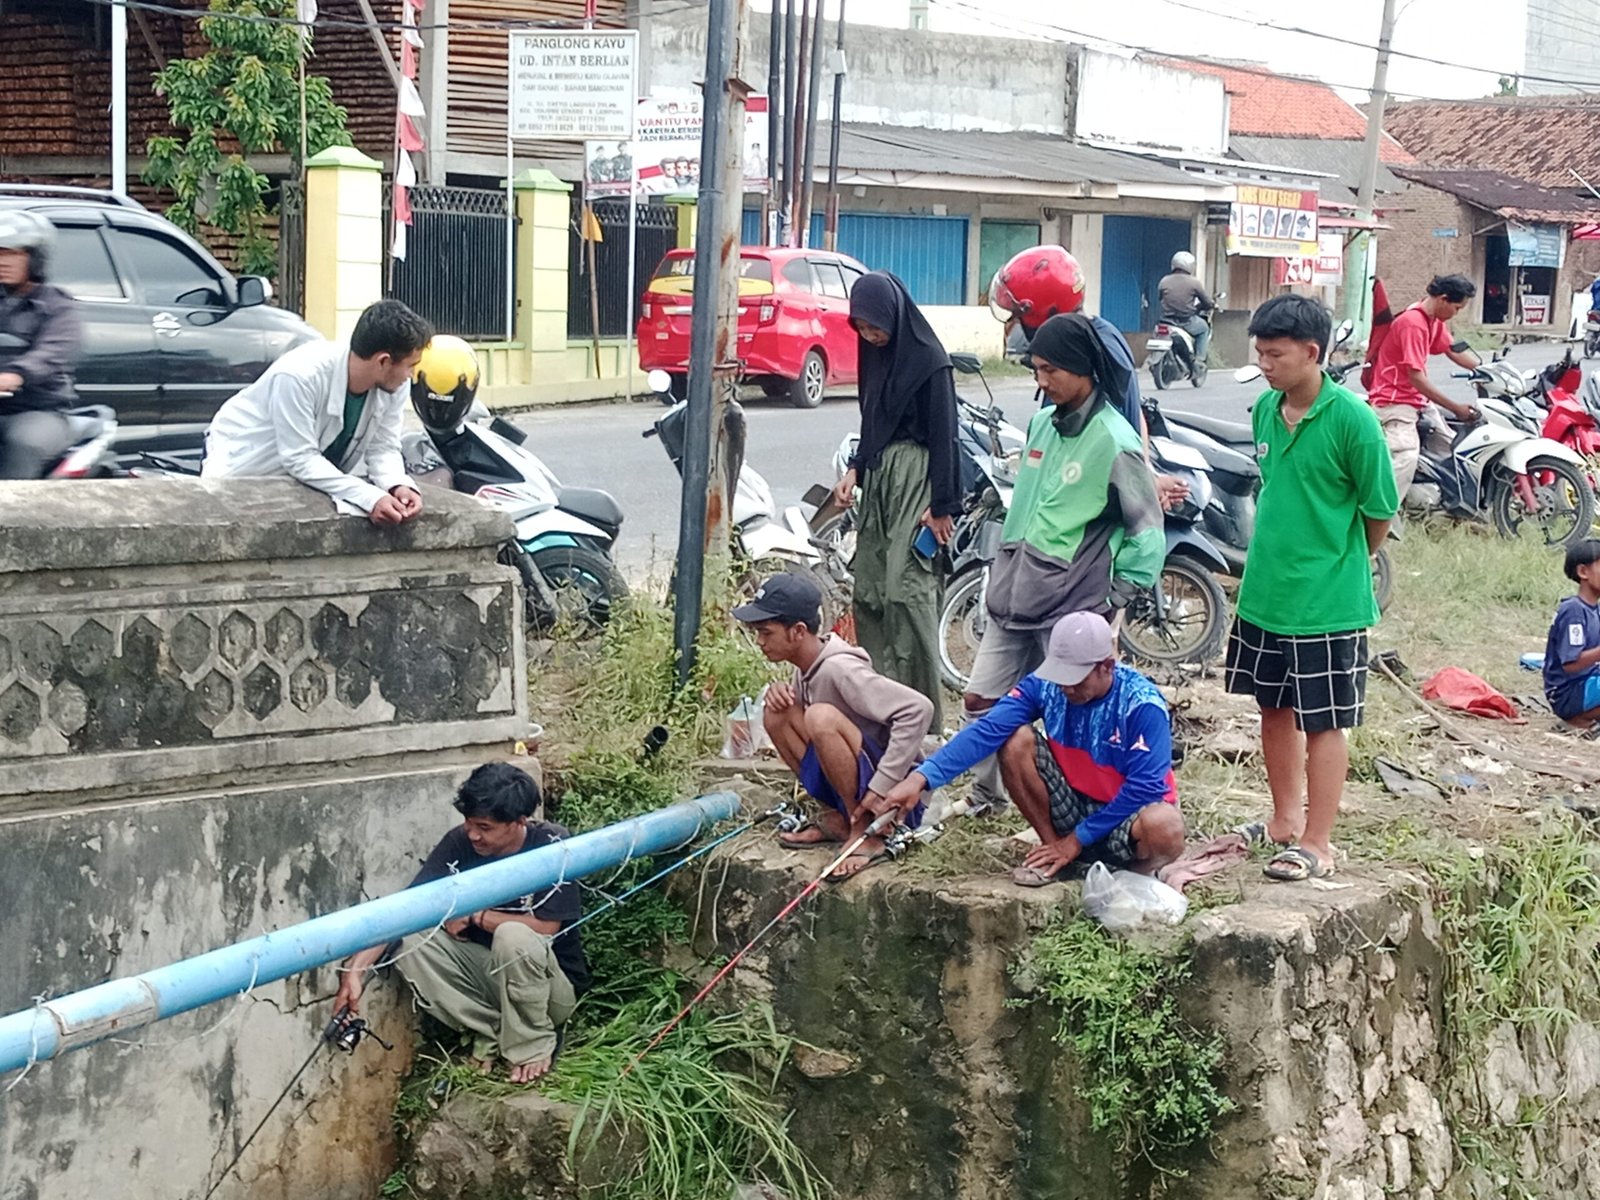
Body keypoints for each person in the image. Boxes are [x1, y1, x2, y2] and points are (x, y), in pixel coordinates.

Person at [961, 313, 1166, 808]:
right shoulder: (1040, 426)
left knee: (1074, 713)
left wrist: (1114, 597)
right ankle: (985, 796)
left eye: (1052, 370)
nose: (1041, 381)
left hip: (1070, 607)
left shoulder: (1114, 440)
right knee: (980, 701)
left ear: (1084, 370)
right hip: (1013, 592)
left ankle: (1084, 809)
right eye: (1036, 369)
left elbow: (1148, 531)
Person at [1226, 295, 1398, 882]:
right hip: (1266, 593)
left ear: (1312, 352)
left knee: (1325, 719)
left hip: (1327, 601)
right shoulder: (1265, 412)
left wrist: (1342, 561)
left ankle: (1318, 842)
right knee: (1272, 708)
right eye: (1260, 353)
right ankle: (1283, 821)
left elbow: (1379, 511)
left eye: (1275, 354)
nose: (1265, 364)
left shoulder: (1354, 421)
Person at [873, 612, 1184, 885]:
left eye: (1076, 680)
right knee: (1014, 739)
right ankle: (1053, 854)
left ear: (1106, 667)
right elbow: (987, 730)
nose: (1066, 688)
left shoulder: (1141, 705)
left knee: (1165, 826)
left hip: (1124, 813)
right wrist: (921, 778)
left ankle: (1135, 874)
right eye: (1062, 677)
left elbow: (1145, 788)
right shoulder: (1045, 685)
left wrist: (1077, 839)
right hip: (1074, 801)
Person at [332, 763, 589, 1084]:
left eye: (484, 826)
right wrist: (355, 972)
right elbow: (407, 910)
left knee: (513, 935)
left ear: (518, 822)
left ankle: (532, 1044)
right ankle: (493, 1031)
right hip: (491, 978)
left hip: (551, 990)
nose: (473, 834)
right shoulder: (460, 843)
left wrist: (475, 916)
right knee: (412, 940)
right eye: (468, 822)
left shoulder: (552, 843)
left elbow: (546, 928)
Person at [735, 572, 934, 880]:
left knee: (820, 717)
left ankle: (867, 832)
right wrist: (781, 698)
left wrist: (882, 788)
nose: (760, 641)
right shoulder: (805, 670)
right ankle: (838, 818)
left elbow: (919, 709)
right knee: (777, 712)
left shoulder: (839, 668)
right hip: (859, 784)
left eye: (766, 632)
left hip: (895, 802)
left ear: (798, 631)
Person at [832, 271, 960, 724]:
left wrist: (943, 505)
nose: (870, 336)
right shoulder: (876, 356)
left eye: (876, 327)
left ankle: (923, 718)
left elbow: (947, 436)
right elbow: (873, 421)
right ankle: (879, 708)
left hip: (917, 480)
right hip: (879, 480)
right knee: (869, 591)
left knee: (905, 592)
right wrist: (855, 469)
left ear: (894, 315)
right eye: (862, 329)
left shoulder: (930, 361)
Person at [989, 244, 1189, 512]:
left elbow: (1074, 452)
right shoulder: (1104, 334)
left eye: (1019, 315)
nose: (1043, 381)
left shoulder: (1075, 359)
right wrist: (1145, 472)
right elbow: (1133, 412)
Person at [202, 299, 432, 525]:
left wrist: (397, 485)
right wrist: (369, 497)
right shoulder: (299, 375)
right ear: (383, 361)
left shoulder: (392, 385)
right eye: (411, 365)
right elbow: (299, 458)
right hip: (245, 466)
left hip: (302, 485)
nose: (411, 374)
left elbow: (383, 446)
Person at [1366, 274, 1483, 500]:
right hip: (1394, 401)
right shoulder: (1413, 324)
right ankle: (1382, 515)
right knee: (1406, 455)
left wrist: (1487, 369)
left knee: (1455, 448)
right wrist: (1455, 407)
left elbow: (1452, 349)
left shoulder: (1433, 321)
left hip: (1416, 400)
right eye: (1457, 308)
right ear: (1443, 299)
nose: (1456, 314)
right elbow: (1416, 377)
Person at [0, 210, 81, 479]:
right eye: (0, 253)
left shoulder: (57, 306)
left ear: (36, 258)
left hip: (38, 411)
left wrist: (16, 374)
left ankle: (12, 517)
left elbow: (53, 351)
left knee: (23, 443)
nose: (5, 261)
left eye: (15, 253)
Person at [1543, 538, 1600, 729]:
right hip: (1566, 692)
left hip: (1587, 683)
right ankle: (1578, 719)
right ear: (1583, 571)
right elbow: (1571, 664)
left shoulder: (1594, 610)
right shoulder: (1574, 610)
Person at [1156, 250, 1216, 374]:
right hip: (1186, 321)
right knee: (1204, 329)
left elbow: (1160, 298)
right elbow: (1206, 301)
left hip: (1166, 321)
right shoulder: (1194, 282)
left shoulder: (1164, 281)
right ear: (1189, 265)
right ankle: (1199, 360)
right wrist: (1211, 305)